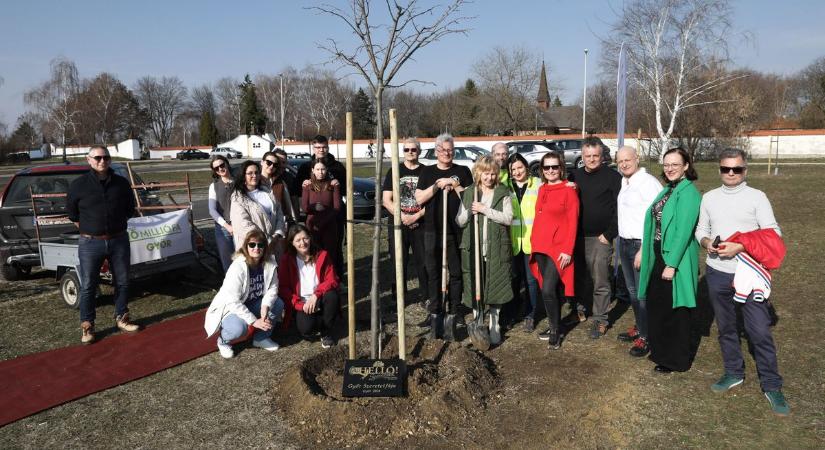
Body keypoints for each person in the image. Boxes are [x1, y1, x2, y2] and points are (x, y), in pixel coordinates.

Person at [695, 148, 789, 416]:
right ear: (720, 170)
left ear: (745, 170)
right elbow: (702, 230)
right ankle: (734, 372)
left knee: (759, 330)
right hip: (717, 272)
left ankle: (771, 384)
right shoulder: (710, 198)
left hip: (748, 274)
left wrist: (741, 246)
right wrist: (707, 244)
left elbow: (773, 232)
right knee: (726, 328)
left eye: (737, 169)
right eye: (726, 169)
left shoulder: (757, 197)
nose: (731, 174)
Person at [66, 145, 139, 344]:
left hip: (119, 240)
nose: (102, 161)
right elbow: (73, 214)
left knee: (122, 281)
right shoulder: (78, 185)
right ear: (88, 160)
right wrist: (91, 228)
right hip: (90, 243)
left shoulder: (121, 183)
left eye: (105, 157)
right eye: (97, 158)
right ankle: (87, 325)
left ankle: (122, 317)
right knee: (89, 285)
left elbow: (129, 209)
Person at [637, 147, 701, 374]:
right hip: (658, 254)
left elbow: (683, 231)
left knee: (676, 310)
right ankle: (661, 352)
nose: (670, 168)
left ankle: (677, 360)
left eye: (675, 164)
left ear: (686, 166)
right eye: (666, 164)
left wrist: (671, 264)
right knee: (659, 306)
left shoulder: (689, 193)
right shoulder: (667, 190)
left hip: (676, 258)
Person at [415, 133, 473, 340]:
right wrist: (437, 186)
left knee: (456, 272)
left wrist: (455, 184)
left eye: (450, 150)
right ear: (436, 151)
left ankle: (455, 311)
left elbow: (470, 198)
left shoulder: (463, 171)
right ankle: (435, 311)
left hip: (455, 229)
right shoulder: (428, 172)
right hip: (432, 229)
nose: (446, 153)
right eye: (442, 150)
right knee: (433, 273)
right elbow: (419, 198)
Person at [456, 155, 513, 345]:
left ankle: (495, 324)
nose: (489, 178)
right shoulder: (470, 192)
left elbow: (508, 218)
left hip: (495, 248)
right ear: (478, 173)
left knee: (496, 284)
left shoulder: (502, 192)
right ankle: (478, 321)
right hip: (474, 248)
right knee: (474, 285)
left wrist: (484, 209)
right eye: (485, 174)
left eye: (492, 174)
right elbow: (459, 221)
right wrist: (469, 212)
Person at [568, 137, 622, 339]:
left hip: (601, 237)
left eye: (595, 156)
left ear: (602, 156)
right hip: (578, 237)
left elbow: (620, 209)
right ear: (582, 156)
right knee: (579, 277)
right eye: (587, 156)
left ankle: (600, 319)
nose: (591, 159)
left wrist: (609, 234)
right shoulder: (574, 176)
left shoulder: (612, 177)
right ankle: (580, 310)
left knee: (600, 279)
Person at [204, 229, 284, 358]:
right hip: (232, 308)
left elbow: (273, 289)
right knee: (239, 329)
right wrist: (253, 321)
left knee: (278, 304)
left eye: (260, 245)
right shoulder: (238, 267)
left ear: (265, 247)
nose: (256, 248)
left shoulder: (270, 262)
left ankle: (261, 338)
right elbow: (232, 301)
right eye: (252, 244)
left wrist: (265, 306)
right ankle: (223, 341)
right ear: (246, 246)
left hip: (255, 303)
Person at [529, 152, 579, 349]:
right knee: (549, 289)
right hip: (540, 245)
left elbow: (573, 222)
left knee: (548, 289)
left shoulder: (569, 191)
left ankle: (555, 330)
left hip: (558, 249)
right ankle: (554, 324)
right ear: (542, 170)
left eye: (554, 167)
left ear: (561, 168)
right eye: (546, 167)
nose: (550, 171)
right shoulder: (541, 189)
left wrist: (568, 250)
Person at [615, 146, 662, 357]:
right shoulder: (624, 182)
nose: (624, 164)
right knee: (632, 291)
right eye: (620, 161)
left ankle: (647, 337)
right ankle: (640, 327)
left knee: (642, 293)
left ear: (637, 159)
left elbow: (656, 217)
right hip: (624, 243)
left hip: (639, 245)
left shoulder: (648, 183)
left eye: (628, 159)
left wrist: (644, 248)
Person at [382, 137, 428, 306]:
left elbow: (431, 201)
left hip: (420, 223)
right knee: (398, 261)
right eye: (406, 150)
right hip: (398, 224)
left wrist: (415, 217)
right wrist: (403, 217)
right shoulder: (394, 171)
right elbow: (386, 200)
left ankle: (426, 296)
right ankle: (398, 296)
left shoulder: (426, 171)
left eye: (413, 149)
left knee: (423, 261)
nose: (410, 153)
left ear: (419, 151)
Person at [279, 224, 340, 348]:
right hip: (302, 302)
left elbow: (332, 279)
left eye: (305, 238)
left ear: (310, 238)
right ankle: (318, 318)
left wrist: (316, 295)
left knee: (332, 296)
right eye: (298, 240)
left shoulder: (322, 255)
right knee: (306, 330)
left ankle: (326, 331)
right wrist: (299, 305)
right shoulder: (286, 260)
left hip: (320, 297)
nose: (303, 243)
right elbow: (283, 288)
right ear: (292, 243)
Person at [295, 135, 346, 276]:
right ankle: (315, 278)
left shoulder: (337, 167)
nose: (321, 150)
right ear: (313, 148)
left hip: (334, 216)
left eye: (324, 147)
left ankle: (336, 278)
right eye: (318, 147)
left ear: (328, 147)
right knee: (313, 249)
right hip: (314, 219)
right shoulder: (306, 167)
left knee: (335, 249)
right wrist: (304, 185)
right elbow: (299, 192)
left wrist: (337, 185)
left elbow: (346, 190)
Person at [506, 153, 541, 331]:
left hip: (531, 242)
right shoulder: (505, 186)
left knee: (531, 281)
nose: (518, 171)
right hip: (512, 242)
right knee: (513, 280)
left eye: (520, 167)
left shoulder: (538, 184)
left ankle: (530, 315)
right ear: (509, 172)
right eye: (514, 169)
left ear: (526, 167)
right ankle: (512, 313)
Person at [229, 160, 286, 252]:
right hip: (253, 248)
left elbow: (279, 213)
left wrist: (277, 234)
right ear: (243, 176)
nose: (254, 176)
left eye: (256, 172)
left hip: (274, 244)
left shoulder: (267, 192)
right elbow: (244, 224)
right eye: (250, 173)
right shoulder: (238, 198)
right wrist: (267, 239)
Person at [301, 159, 341, 272]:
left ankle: (330, 281)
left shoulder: (333, 184)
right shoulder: (308, 185)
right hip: (312, 226)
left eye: (323, 169)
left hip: (329, 226)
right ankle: (315, 280)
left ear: (326, 170)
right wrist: (314, 207)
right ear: (313, 170)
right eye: (317, 169)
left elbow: (337, 207)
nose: (320, 172)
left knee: (330, 255)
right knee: (314, 254)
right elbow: (304, 207)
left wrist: (324, 221)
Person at [208, 156, 235, 273]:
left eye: (222, 165)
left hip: (241, 225)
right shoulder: (213, 186)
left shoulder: (239, 182)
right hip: (223, 228)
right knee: (228, 263)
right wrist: (227, 226)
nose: (220, 169)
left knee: (244, 259)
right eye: (216, 168)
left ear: (227, 164)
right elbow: (212, 210)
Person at [261, 150, 297, 225]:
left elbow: (291, 203)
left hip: (280, 224)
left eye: (283, 162)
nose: (281, 165)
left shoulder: (285, 181)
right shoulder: (254, 181)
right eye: (269, 162)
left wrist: (294, 221)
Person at [273, 148, 298, 221]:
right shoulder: (264, 178)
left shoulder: (289, 178)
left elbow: (294, 201)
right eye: (278, 162)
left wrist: (296, 220)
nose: (281, 165)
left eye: (283, 162)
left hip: (286, 219)